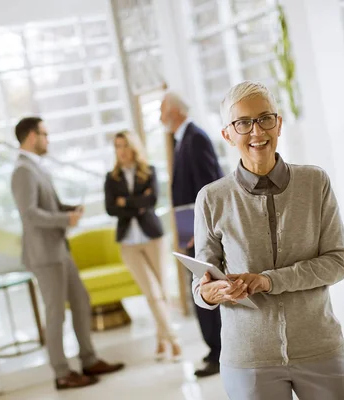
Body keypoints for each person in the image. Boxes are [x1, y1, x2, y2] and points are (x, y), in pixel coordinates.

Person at [192, 81, 344, 399]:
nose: (256, 132)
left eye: (265, 118)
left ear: (278, 123)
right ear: (227, 134)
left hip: (320, 346)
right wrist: (210, 293)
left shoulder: (314, 182)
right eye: (243, 123)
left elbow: (337, 262)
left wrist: (267, 281)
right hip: (249, 358)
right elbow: (201, 284)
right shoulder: (212, 198)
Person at [10, 117, 124, 390]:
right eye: (45, 134)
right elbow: (30, 215)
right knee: (55, 314)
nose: (48, 139)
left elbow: (49, 205)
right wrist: (65, 221)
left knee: (81, 301)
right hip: (45, 254)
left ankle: (88, 359)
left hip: (60, 249)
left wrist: (68, 210)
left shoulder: (36, 168)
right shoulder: (23, 171)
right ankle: (62, 373)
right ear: (30, 136)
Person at [160, 92, 223, 377]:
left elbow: (209, 186)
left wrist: (202, 230)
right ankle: (214, 349)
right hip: (189, 225)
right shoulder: (181, 139)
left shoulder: (195, 137)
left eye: (162, 110)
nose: (160, 117)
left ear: (174, 111)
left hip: (199, 227)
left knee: (204, 283)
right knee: (197, 283)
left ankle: (219, 352)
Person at [104, 130, 182, 362]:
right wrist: (136, 203)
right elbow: (111, 208)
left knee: (163, 292)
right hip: (128, 243)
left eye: (125, 145)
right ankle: (174, 340)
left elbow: (152, 201)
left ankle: (161, 341)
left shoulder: (149, 172)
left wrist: (125, 202)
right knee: (152, 294)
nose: (122, 151)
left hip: (153, 238)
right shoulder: (111, 178)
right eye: (118, 146)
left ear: (134, 148)